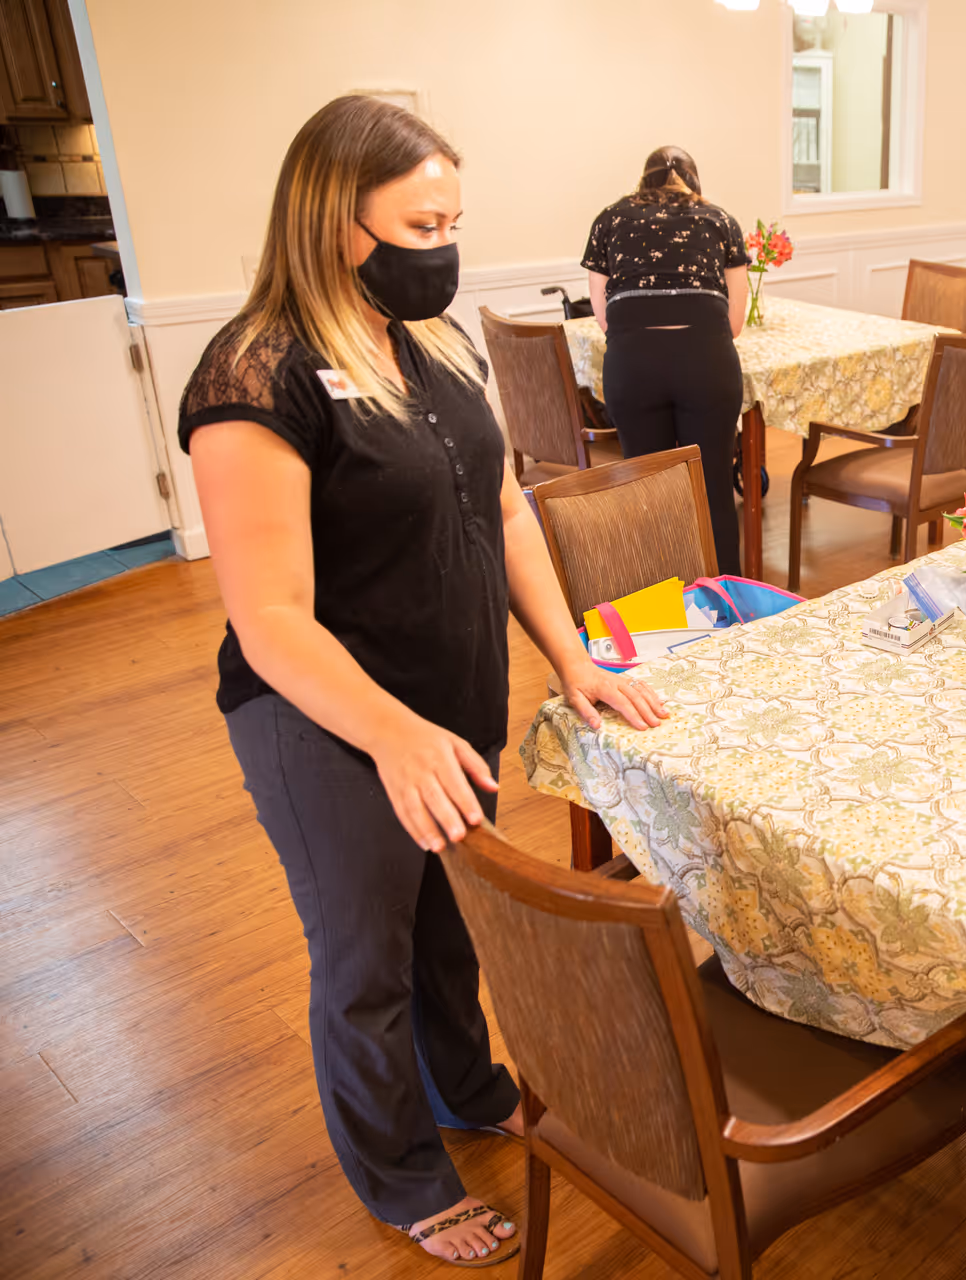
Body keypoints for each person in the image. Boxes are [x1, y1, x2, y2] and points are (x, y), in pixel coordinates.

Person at [179, 96, 667, 1267]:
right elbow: (271, 616)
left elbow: (502, 507)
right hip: (329, 722)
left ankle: (467, 1084)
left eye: (454, 218)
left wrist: (570, 652)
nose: (442, 245)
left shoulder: (433, 344)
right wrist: (395, 733)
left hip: (449, 696)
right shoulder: (256, 372)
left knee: (453, 919)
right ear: (335, 221)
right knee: (368, 958)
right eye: (420, 221)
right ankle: (399, 1173)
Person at [583, 147, 751, 575]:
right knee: (713, 487)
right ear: (694, 181)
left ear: (644, 181)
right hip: (707, 360)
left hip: (634, 363)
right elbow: (734, 322)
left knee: (645, 488)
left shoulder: (610, 219)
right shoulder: (719, 220)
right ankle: (725, 603)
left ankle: (656, 602)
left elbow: (604, 317)